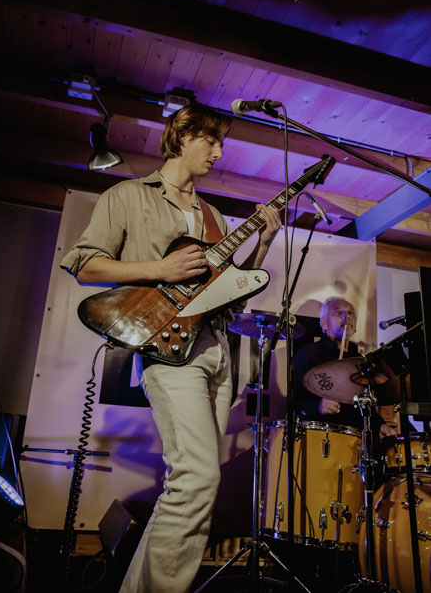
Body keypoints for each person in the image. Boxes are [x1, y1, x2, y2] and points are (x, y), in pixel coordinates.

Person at [60, 103, 281, 593]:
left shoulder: (213, 215)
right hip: (170, 351)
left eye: (221, 143)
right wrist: (158, 269)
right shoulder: (128, 195)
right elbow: (85, 264)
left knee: (191, 484)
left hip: (217, 351)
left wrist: (264, 245)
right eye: (211, 141)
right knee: (197, 479)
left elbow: (231, 293)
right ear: (182, 137)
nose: (219, 153)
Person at [293, 296, 396, 438]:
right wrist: (318, 406)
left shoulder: (361, 360)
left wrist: (380, 424)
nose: (347, 316)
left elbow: (365, 404)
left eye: (350, 312)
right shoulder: (308, 354)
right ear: (324, 323)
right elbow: (294, 399)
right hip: (319, 437)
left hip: (356, 440)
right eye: (338, 312)